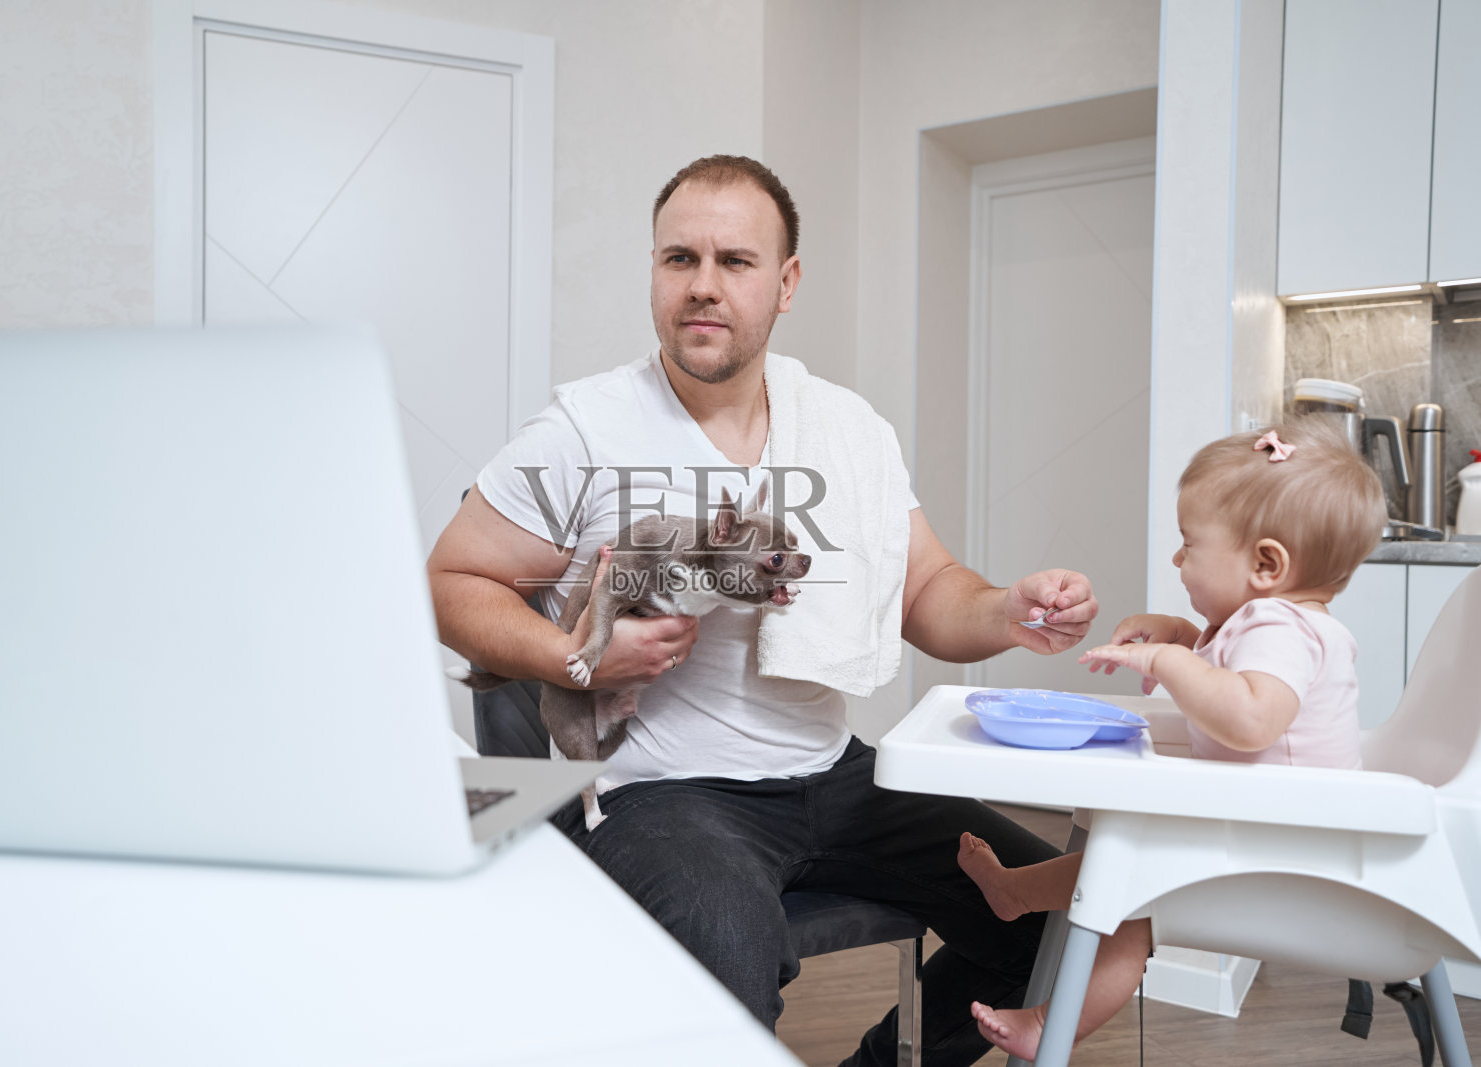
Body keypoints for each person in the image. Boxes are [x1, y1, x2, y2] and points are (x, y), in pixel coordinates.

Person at [426, 154, 1100, 1065]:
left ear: (785, 283)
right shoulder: (583, 430)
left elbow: (928, 590)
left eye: (734, 261)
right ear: (654, 271)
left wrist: (1008, 610)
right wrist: (577, 656)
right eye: (680, 258)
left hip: (837, 773)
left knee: (1069, 919)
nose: (702, 285)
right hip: (662, 792)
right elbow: (451, 581)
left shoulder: (849, 430)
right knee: (727, 947)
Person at [960, 418, 1387, 1060]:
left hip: (1282, 860)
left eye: (1190, 545)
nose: (1177, 559)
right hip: (1265, 837)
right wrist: (1185, 639)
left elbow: (1251, 718)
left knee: (1126, 893)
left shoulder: (1281, 628)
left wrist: (1168, 661)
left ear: (1267, 564)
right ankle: (1016, 894)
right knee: (1122, 864)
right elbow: (1237, 681)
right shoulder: (1272, 625)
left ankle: (1047, 1013)